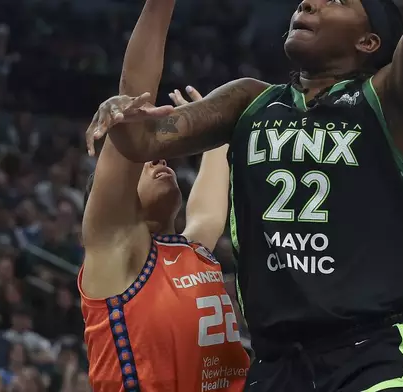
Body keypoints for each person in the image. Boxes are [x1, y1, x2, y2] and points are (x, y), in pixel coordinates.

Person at [87, 0, 403, 390]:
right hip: (277, 365)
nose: (308, 3)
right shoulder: (249, 101)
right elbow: (140, 136)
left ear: (368, 41)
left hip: (372, 357)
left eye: (337, 1)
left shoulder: (390, 101)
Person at [79, 2, 249, 389]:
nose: (157, 158)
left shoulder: (194, 250)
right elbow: (133, 97)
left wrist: (210, 128)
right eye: (143, 164)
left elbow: (208, 206)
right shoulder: (115, 249)